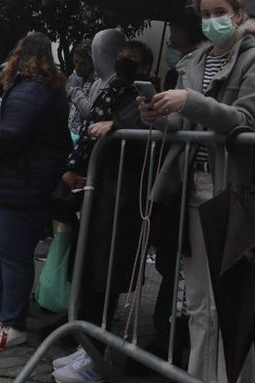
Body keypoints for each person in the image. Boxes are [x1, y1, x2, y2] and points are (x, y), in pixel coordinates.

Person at [141, 0, 255, 383]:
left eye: (220, 12)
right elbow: (185, 124)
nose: (212, 20)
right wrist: (158, 114)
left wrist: (190, 101)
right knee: (199, 303)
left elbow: (248, 120)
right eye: (204, 14)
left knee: (227, 304)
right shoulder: (194, 63)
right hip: (191, 188)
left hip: (231, 191)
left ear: (238, 14)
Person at [54, 40, 154, 383]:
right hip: (100, 188)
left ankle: (97, 352)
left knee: (106, 273)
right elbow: (89, 129)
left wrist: (117, 125)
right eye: (122, 56)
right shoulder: (111, 87)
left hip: (122, 195)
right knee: (89, 270)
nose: (125, 62)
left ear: (144, 67)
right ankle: (86, 343)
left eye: (134, 59)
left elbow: (142, 124)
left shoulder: (144, 94)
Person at [0, 32, 71, 352]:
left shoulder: (30, 90)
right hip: (21, 184)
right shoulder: (41, 89)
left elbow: (12, 136)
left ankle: (12, 322)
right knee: (2, 256)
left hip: (22, 186)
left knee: (11, 258)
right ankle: (0, 314)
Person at [67, 43, 97, 139]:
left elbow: (91, 113)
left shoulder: (97, 81)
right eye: (76, 62)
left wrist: (74, 92)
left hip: (85, 137)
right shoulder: (74, 77)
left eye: (83, 64)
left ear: (92, 63)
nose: (77, 67)